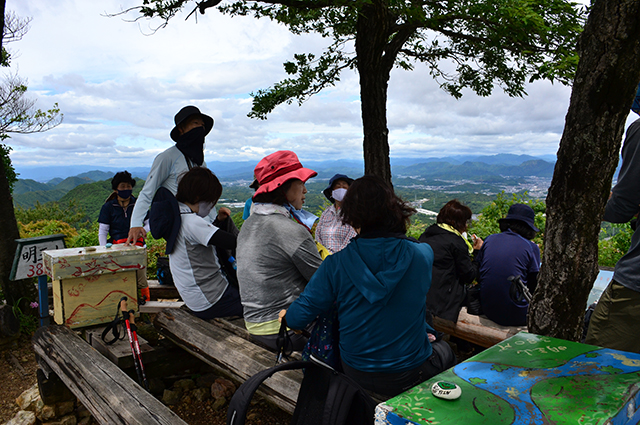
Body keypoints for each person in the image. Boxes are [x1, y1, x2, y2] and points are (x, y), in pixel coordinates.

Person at [280, 175, 456, 398]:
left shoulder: (336, 264)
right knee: (445, 351)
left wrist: (286, 315)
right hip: (411, 370)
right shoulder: (422, 254)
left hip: (356, 371)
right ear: (394, 209)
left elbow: (296, 318)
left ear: (352, 216)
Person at [237, 150, 322, 352]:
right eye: (301, 183)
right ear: (284, 186)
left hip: (255, 324)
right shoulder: (290, 230)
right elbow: (324, 281)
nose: (305, 191)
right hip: (286, 330)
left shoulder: (250, 223)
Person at [150, 167, 242, 320]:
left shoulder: (177, 217)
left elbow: (205, 238)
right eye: (211, 201)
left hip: (195, 298)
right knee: (261, 305)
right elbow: (232, 242)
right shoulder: (191, 222)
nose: (212, 206)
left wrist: (218, 222)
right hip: (213, 299)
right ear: (198, 197)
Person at [586, 97, 640, 352]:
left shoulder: (639, 131)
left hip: (635, 285)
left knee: (603, 363)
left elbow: (621, 208)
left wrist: (588, 202)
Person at [127, 105, 217, 245]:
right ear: (181, 128)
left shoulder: (200, 162)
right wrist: (136, 223)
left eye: (202, 125)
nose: (200, 128)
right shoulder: (167, 157)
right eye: (195, 123)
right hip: (180, 228)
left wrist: (214, 220)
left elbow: (205, 196)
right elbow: (147, 192)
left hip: (203, 228)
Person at [476, 204, 541, 326]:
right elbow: (533, 285)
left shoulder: (490, 239)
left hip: (488, 308)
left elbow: (480, 274)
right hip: (517, 315)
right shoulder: (531, 247)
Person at [419, 200, 483, 323]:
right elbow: (469, 275)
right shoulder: (455, 242)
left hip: (423, 294)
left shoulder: (427, 234)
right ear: (457, 223)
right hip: (443, 302)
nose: (466, 226)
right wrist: (477, 252)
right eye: (465, 222)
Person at [98, 171, 150, 301]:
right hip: (116, 247)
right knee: (120, 278)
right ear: (116, 189)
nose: (126, 189)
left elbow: (150, 223)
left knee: (141, 279)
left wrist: (141, 231)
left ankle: (145, 306)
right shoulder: (108, 207)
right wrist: (104, 249)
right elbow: (103, 230)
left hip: (137, 246)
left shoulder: (138, 204)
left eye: (128, 186)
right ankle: (122, 304)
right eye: (122, 186)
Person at [315, 174, 358, 253]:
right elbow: (317, 234)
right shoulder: (326, 213)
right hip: (324, 259)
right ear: (331, 192)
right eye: (338, 187)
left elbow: (352, 237)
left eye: (344, 187)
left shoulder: (354, 213)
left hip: (344, 259)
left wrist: (336, 257)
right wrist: (323, 253)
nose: (341, 189)